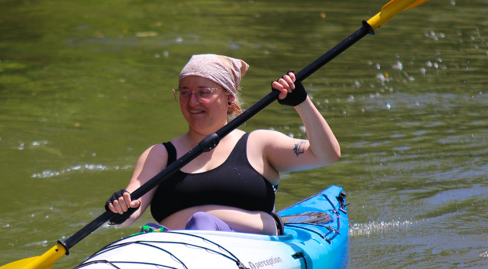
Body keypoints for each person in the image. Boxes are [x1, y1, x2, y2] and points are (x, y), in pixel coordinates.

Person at [106, 54, 341, 235]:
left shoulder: (259, 144)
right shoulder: (159, 154)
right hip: (174, 250)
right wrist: (119, 208)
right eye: (185, 92)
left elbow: (327, 155)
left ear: (229, 97)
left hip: (251, 253)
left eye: (203, 92)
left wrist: (301, 102)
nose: (192, 101)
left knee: (202, 221)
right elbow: (131, 209)